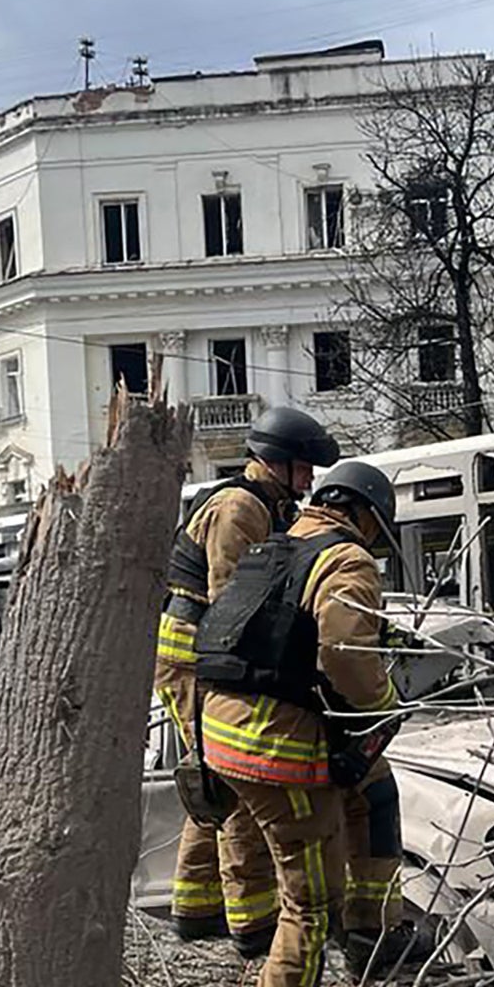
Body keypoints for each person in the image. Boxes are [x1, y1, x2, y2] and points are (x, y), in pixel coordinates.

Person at [197, 461, 406, 987]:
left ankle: (369, 935)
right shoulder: (346, 560)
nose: (375, 545)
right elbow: (344, 653)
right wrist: (383, 703)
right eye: (378, 533)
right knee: (311, 903)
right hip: (276, 749)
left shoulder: (276, 546)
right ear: (366, 514)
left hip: (224, 734)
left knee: (372, 788)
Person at [155, 405, 340, 954]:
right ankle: (250, 926)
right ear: (275, 462)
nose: (309, 482)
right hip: (196, 658)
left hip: (210, 656)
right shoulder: (239, 508)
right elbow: (232, 603)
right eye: (304, 469)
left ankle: (194, 908)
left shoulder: (269, 505)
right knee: (232, 777)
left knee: (213, 778)